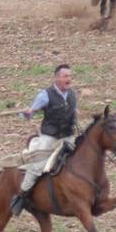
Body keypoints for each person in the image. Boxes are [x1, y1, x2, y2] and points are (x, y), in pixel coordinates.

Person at [10, 64, 79, 216]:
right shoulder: (45, 95)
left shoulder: (73, 95)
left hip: (67, 136)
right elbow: (30, 113)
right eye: (66, 76)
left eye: (70, 76)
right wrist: (27, 113)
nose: (69, 79)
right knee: (37, 166)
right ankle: (21, 196)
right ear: (57, 78)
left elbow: (74, 113)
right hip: (50, 137)